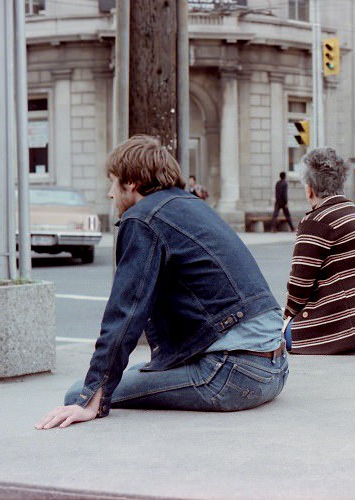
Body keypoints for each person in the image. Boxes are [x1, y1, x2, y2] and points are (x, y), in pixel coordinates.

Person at [35, 135, 287, 430]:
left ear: (130, 183)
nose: (109, 193)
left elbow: (125, 313)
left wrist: (92, 395)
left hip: (233, 374)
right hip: (276, 369)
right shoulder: (192, 205)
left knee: (77, 393)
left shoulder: (143, 219)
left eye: (113, 182)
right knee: (133, 376)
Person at [283, 147, 355, 354]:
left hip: (344, 333)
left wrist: (286, 319)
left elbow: (299, 288)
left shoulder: (316, 222)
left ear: (309, 189)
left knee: (266, 332)